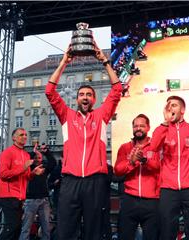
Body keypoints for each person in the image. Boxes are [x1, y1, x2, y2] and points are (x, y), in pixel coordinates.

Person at [44, 41, 122, 240]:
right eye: (81, 94)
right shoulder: (66, 116)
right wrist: (63, 62)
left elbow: (116, 89)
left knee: (94, 232)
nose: (85, 97)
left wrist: (105, 62)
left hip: (95, 182)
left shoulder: (102, 116)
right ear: (77, 99)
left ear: (94, 99)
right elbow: (50, 92)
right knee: (66, 231)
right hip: (70, 182)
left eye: (89, 94)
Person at [150, 96, 189, 240]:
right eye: (168, 105)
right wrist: (165, 122)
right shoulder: (163, 128)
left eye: (174, 105)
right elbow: (154, 146)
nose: (170, 108)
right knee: (167, 230)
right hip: (168, 188)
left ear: (182, 110)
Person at [114, 114, 160, 240]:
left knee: (152, 237)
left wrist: (145, 161)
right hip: (130, 199)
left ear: (148, 127)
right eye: (135, 126)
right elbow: (117, 171)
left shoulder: (156, 147)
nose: (138, 128)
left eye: (142, 126)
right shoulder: (125, 147)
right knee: (124, 236)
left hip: (152, 201)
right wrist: (132, 162)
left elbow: (160, 168)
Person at [0, 128, 44, 240]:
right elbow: (3, 174)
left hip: (20, 196)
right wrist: (23, 167)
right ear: (13, 138)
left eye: (25, 135)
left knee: (17, 227)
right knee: (12, 225)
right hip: (7, 195)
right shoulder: (7, 153)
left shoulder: (26, 155)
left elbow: (26, 176)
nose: (24, 137)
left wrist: (33, 173)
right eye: (21, 135)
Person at [19, 143, 56, 240]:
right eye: (36, 157)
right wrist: (33, 152)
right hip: (31, 200)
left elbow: (53, 163)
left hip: (44, 200)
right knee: (26, 227)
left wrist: (46, 152)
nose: (37, 159)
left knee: (46, 228)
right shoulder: (29, 168)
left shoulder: (44, 168)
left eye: (39, 157)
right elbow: (27, 161)